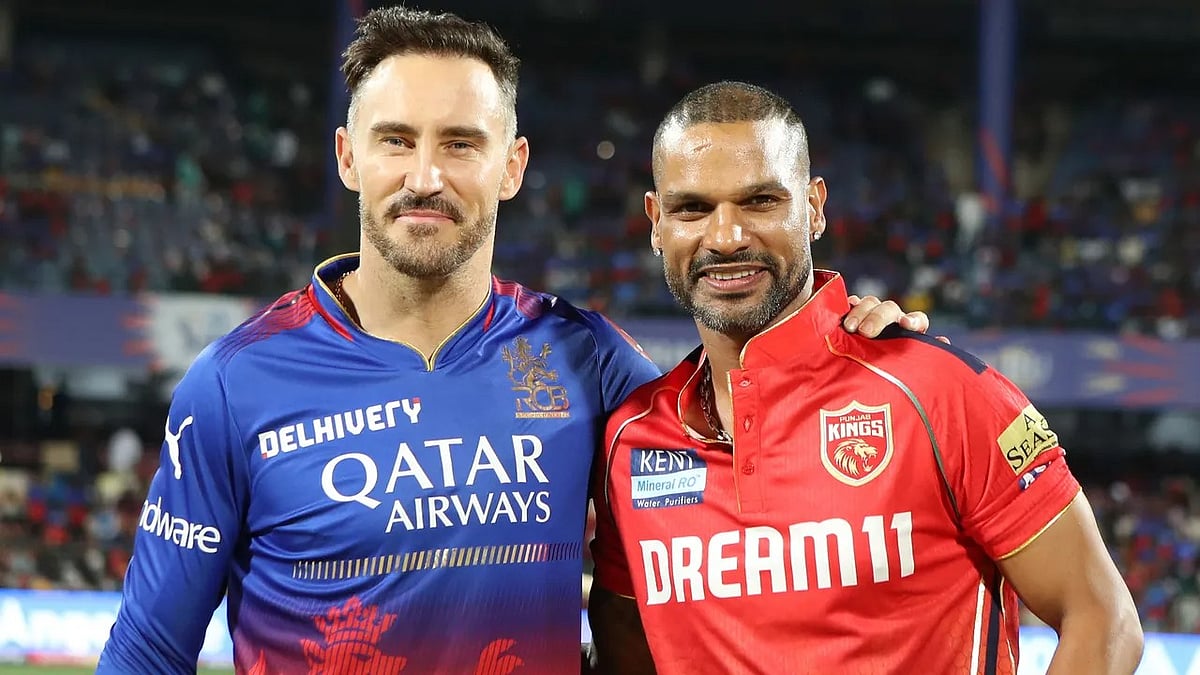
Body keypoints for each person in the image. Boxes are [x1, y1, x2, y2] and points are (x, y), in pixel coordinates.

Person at [97, 8, 933, 675]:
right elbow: (147, 652)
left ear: (513, 164)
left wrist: (851, 355)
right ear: (349, 157)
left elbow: (750, 458)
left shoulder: (588, 358)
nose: (426, 176)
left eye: (461, 143)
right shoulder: (235, 384)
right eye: (397, 141)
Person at [587, 81, 1144, 675]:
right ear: (655, 221)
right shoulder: (631, 440)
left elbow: (1103, 619)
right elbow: (627, 646)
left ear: (815, 206)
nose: (725, 238)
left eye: (760, 202)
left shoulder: (938, 391)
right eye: (692, 208)